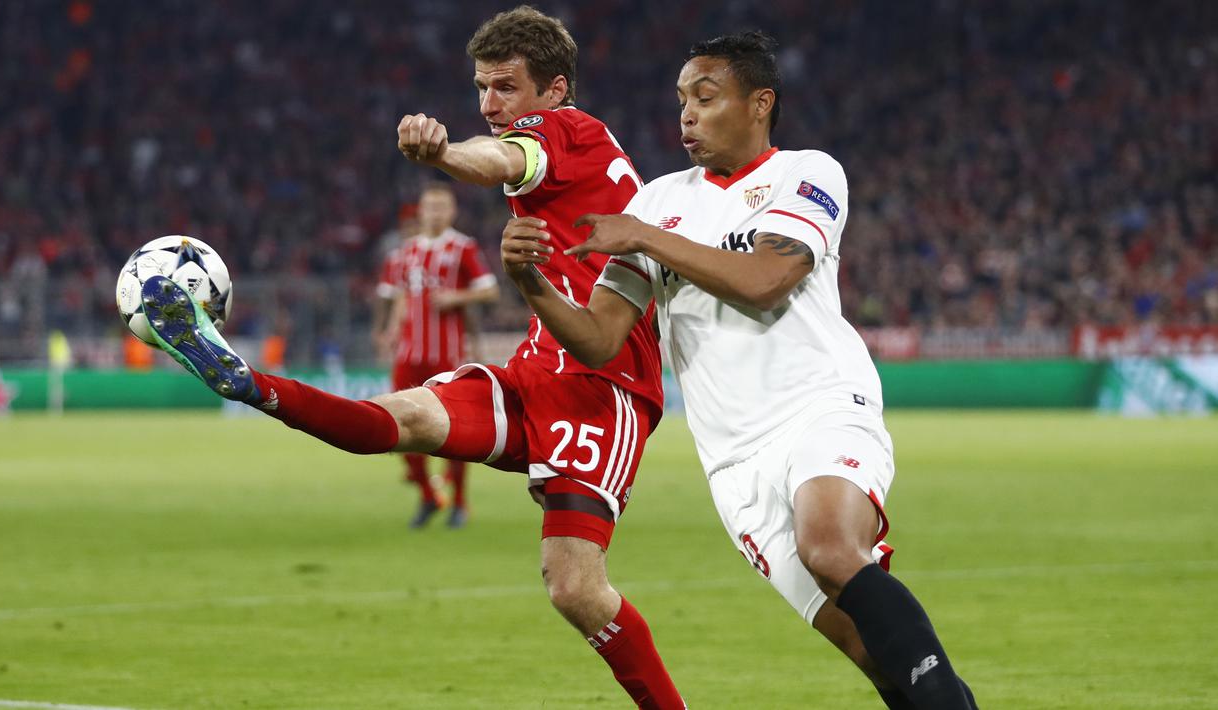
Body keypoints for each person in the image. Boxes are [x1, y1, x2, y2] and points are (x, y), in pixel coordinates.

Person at [139, 6, 685, 708]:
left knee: (575, 587)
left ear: (553, 90)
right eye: (481, 88)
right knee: (397, 420)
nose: (490, 104)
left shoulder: (566, 131)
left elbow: (497, 159)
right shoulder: (565, 147)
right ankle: (247, 383)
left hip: (600, 386)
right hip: (534, 371)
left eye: (505, 87)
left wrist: (444, 154)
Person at [499, 32, 978, 709]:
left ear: (759, 104)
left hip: (819, 404)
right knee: (871, 651)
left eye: (705, 97)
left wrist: (642, 236)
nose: (686, 115)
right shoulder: (657, 200)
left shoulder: (807, 173)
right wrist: (532, 282)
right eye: (680, 101)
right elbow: (602, 338)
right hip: (732, 458)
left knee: (829, 545)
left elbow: (766, 281)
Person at [374, 183, 499, 528]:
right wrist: (390, 330)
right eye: (430, 207)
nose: (435, 213)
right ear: (421, 210)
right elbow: (399, 295)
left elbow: (490, 290)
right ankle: (429, 495)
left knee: (455, 431)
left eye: (442, 207)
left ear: (452, 211)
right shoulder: (406, 252)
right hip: (408, 353)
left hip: (446, 354)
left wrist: (455, 299)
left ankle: (458, 502)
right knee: (397, 425)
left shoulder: (463, 248)